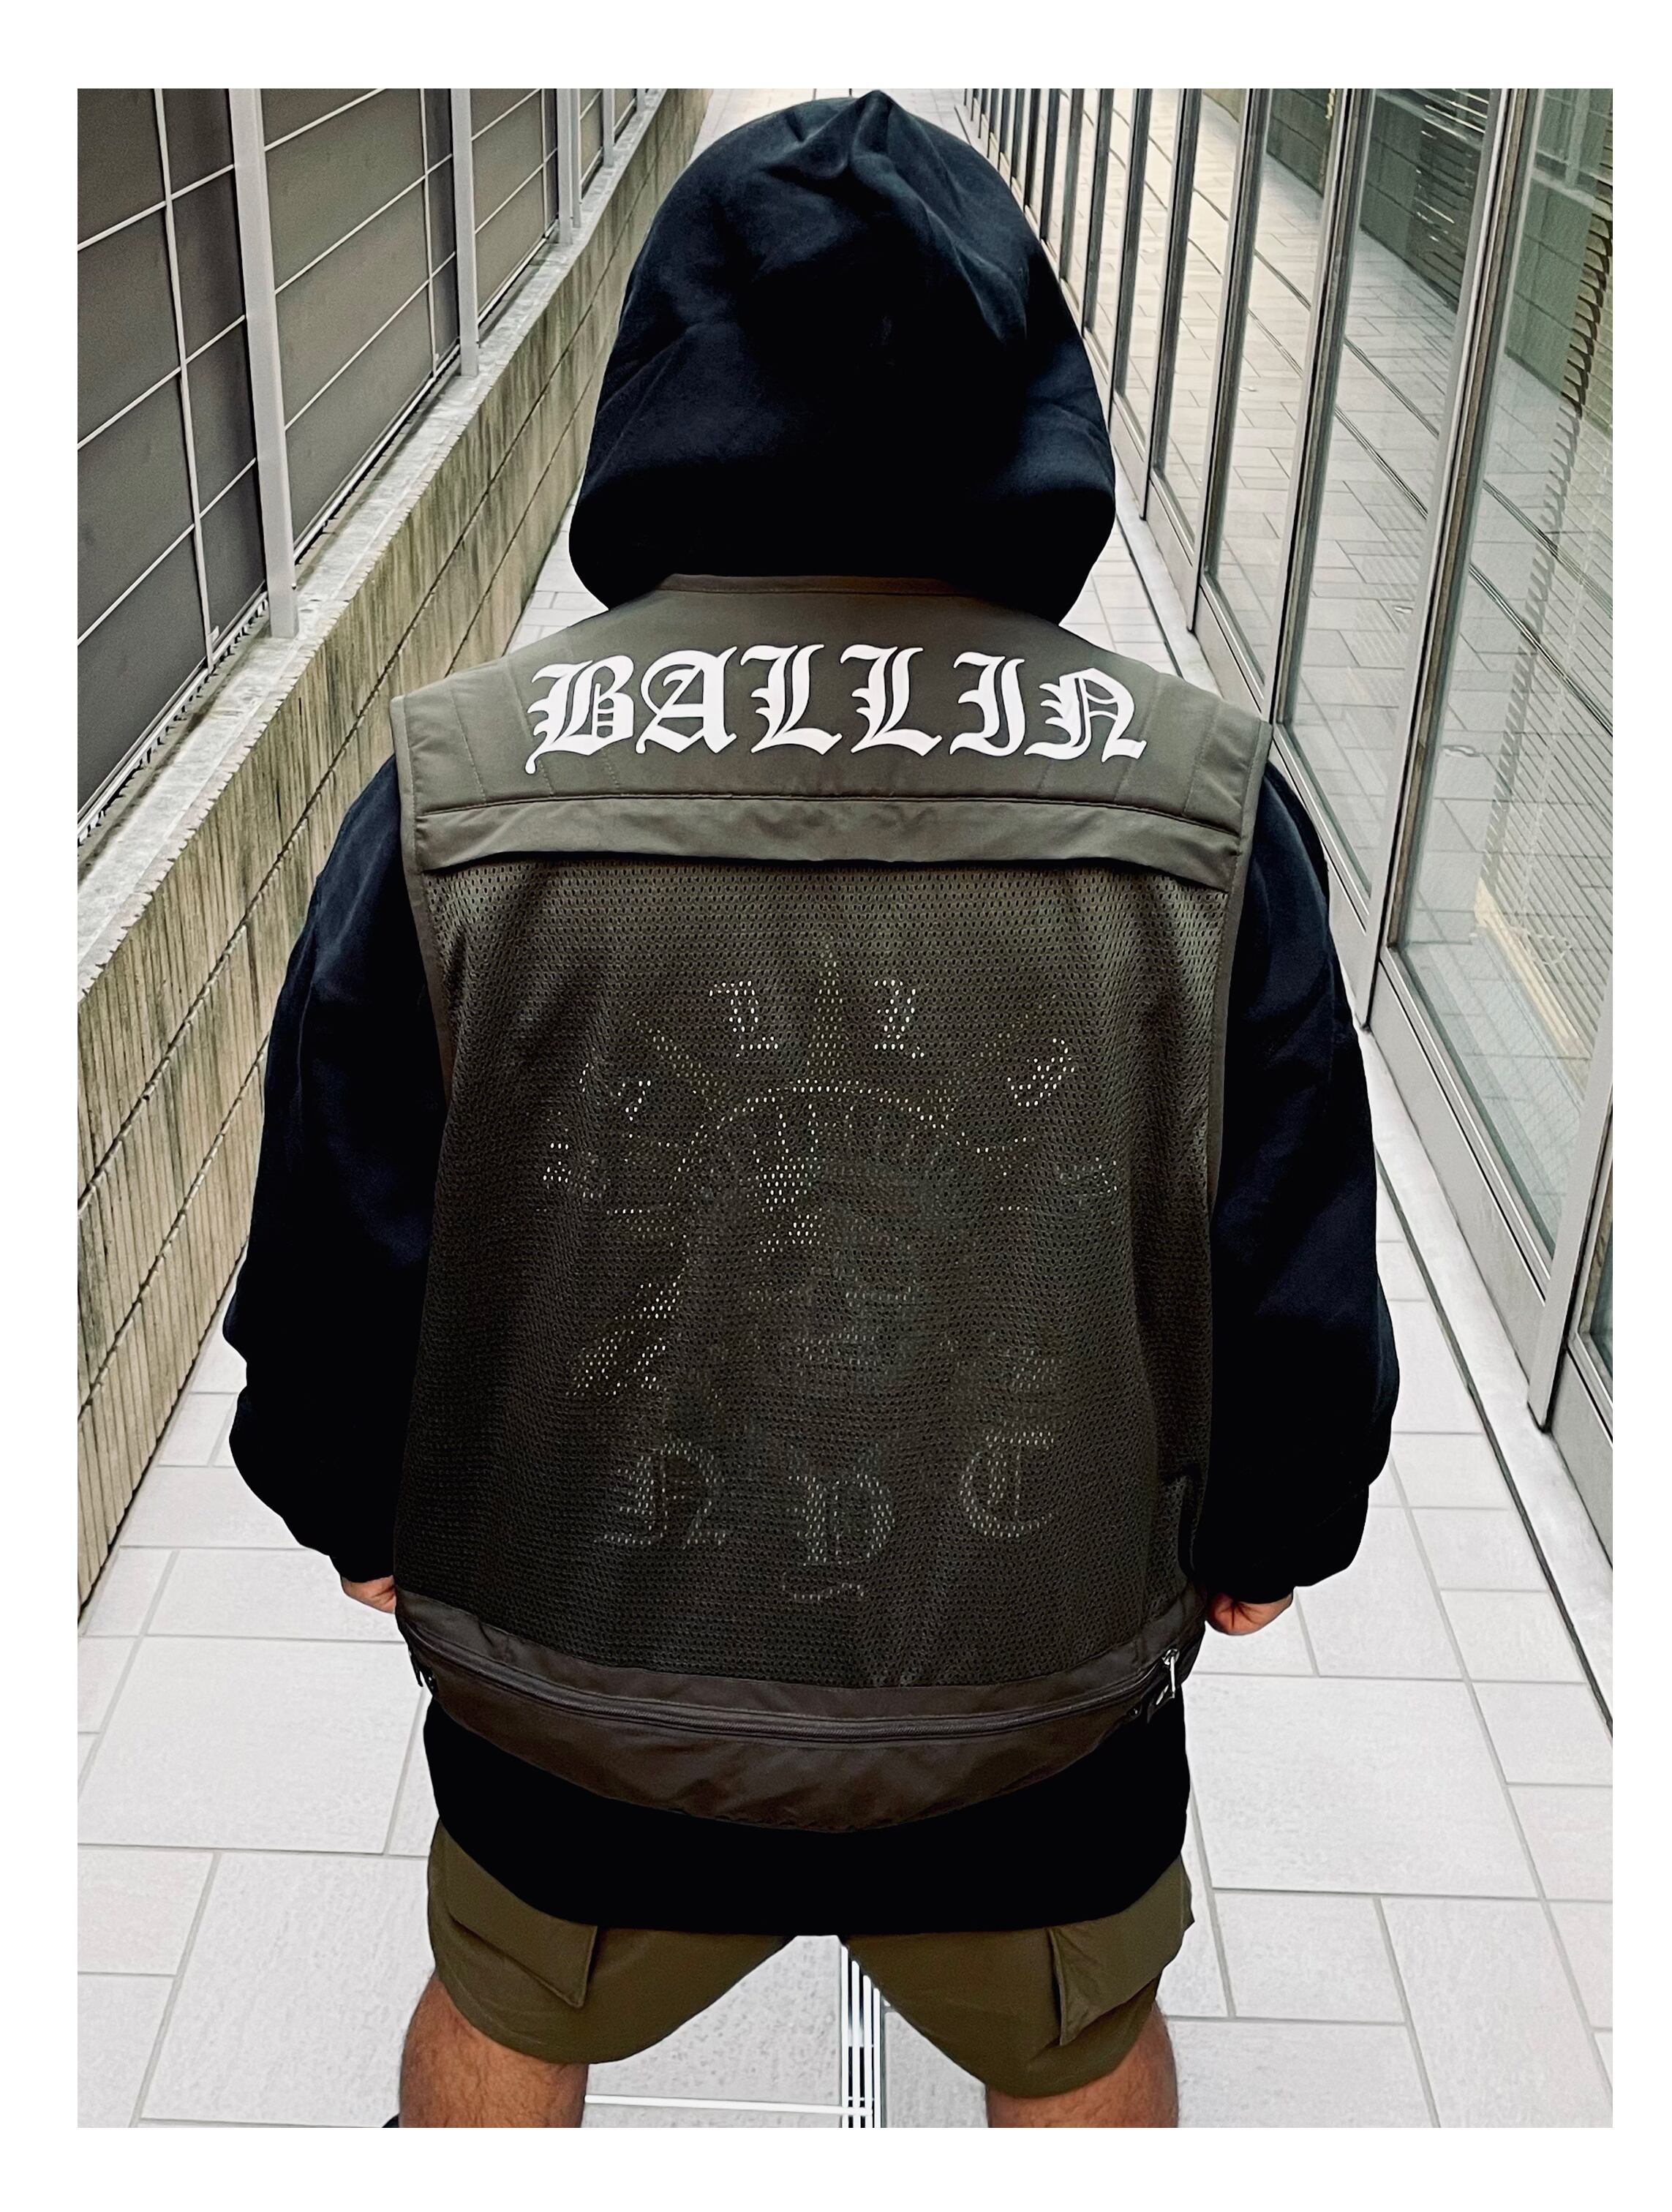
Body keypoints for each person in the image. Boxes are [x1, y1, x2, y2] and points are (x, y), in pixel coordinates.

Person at [226, 92, 1397, 2130]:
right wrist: (1273, 1533)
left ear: (667, 379)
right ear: (1026, 393)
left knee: (503, 2007)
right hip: (1032, 1703)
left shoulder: (459, 788)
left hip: (576, 1697)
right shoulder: (1205, 809)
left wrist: (351, 1503)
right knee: (1082, 2040)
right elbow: (1285, 1247)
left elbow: (344, 1227)